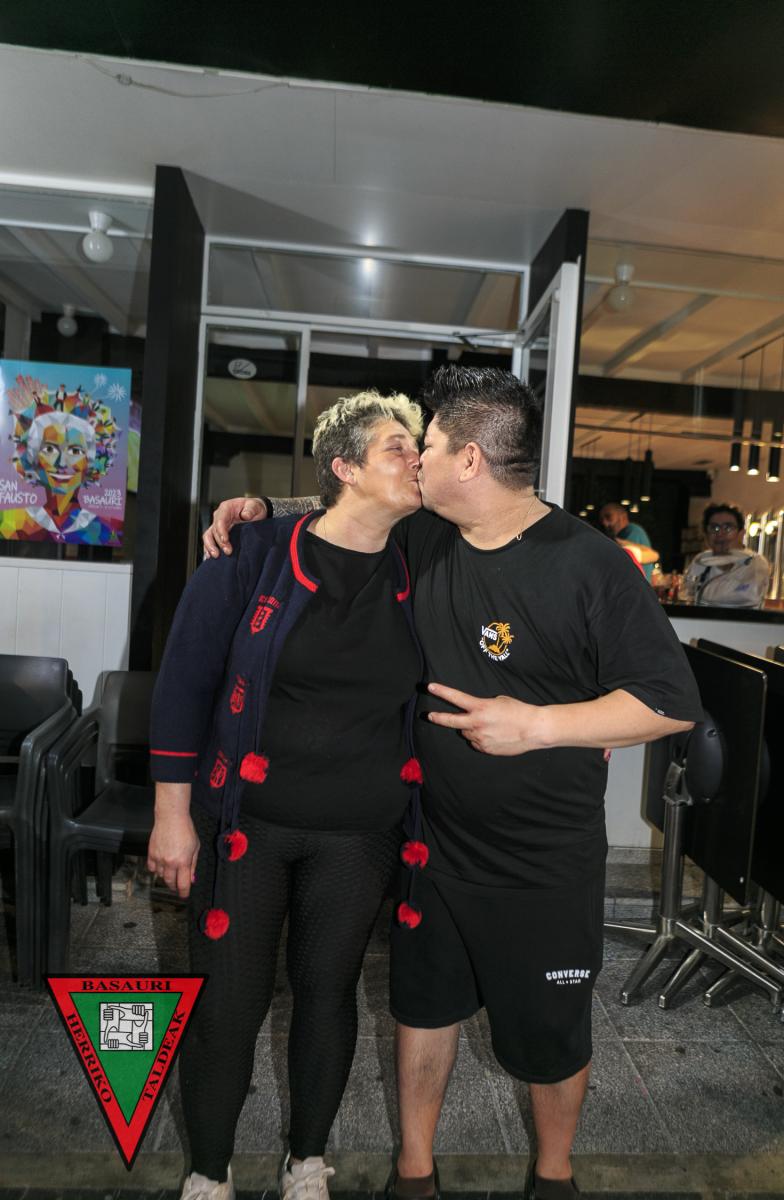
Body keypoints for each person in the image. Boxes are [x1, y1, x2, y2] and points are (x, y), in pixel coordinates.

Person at [204, 366, 702, 1200]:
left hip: (543, 860)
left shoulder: (589, 563)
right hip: (433, 845)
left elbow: (669, 703)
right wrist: (261, 508)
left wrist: (536, 725)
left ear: (468, 459)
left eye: (427, 444)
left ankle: (553, 1178)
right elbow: (349, 511)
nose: (416, 460)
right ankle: (414, 1175)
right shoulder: (427, 535)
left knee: (550, 1038)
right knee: (422, 1009)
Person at [148, 391, 425, 1200]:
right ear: (345, 468)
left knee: (328, 995)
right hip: (248, 825)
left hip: (361, 832)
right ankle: (208, 1170)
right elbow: (183, 683)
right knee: (227, 1006)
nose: (416, 459)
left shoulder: (426, 557)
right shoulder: (251, 552)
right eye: (397, 448)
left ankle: (307, 1159)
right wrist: (171, 817)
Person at [0, 374, 122, 544]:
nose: (62, 463)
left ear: (91, 463)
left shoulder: (107, 531)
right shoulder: (9, 522)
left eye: (75, 451)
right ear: (33, 458)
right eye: (49, 449)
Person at [679, 502, 770, 608]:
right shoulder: (701, 561)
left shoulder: (755, 562)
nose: (720, 534)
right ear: (706, 535)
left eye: (728, 528)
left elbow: (746, 596)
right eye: (714, 528)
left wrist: (703, 592)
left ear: (741, 533)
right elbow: (685, 596)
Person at [597, 502, 657, 581]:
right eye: (602, 519)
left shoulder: (632, 530)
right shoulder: (622, 534)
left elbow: (626, 558)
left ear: (623, 516)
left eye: (609, 516)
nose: (604, 523)